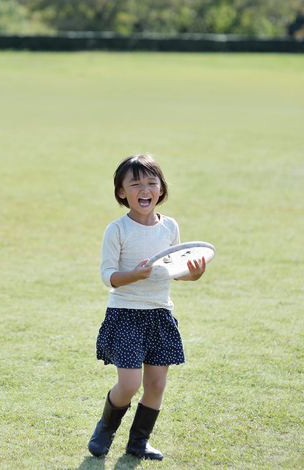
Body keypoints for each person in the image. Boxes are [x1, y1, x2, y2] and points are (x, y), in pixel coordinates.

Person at [88, 154, 207, 461]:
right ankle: (105, 429)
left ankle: (139, 443)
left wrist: (193, 274)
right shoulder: (117, 230)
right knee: (129, 384)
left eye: (151, 183)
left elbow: (175, 270)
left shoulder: (169, 227)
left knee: (155, 385)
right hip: (126, 315)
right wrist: (135, 275)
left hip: (159, 315)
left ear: (161, 190)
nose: (145, 189)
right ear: (121, 192)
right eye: (135, 183)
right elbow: (108, 277)